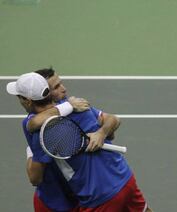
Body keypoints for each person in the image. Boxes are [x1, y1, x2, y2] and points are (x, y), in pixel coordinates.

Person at [8, 72, 151, 211]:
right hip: (124, 177)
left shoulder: (41, 131)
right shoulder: (79, 106)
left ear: (27, 100)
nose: (63, 88)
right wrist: (103, 132)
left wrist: (30, 150)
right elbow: (112, 127)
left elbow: (35, 178)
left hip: (99, 195)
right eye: (57, 86)